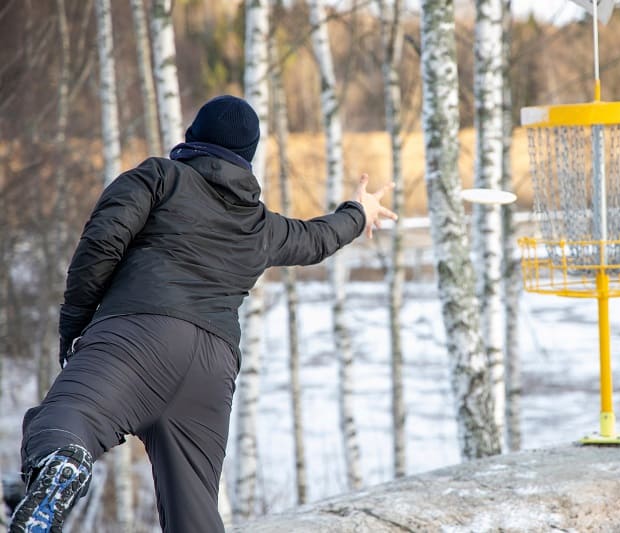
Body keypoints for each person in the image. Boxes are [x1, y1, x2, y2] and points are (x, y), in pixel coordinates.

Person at [9, 94, 397, 533]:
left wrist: (76, 324)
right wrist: (358, 211)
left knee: (65, 422)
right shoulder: (261, 226)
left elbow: (102, 242)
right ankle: (30, 490)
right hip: (211, 370)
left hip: (139, 336)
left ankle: (54, 477)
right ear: (248, 157)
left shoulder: (160, 177)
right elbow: (316, 238)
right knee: (194, 515)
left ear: (193, 136)